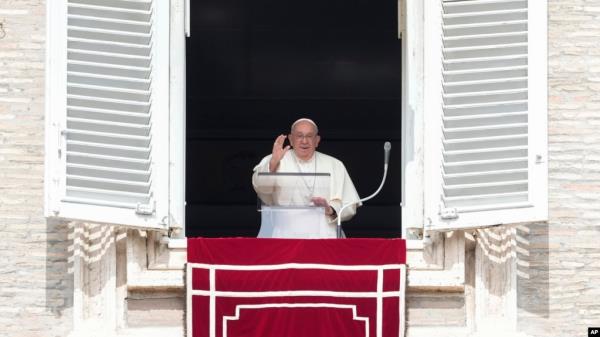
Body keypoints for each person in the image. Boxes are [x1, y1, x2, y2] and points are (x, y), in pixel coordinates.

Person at [252, 118, 361, 238]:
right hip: (285, 235)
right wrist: (272, 165)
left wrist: (330, 209)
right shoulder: (275, 160)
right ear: (291, 139)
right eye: (299, 136)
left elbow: (349, 205)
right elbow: (261, 188)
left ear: (317, 140)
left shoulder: (335, 165)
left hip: (324, 236)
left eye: (309, 136)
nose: (304, 141)